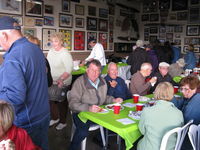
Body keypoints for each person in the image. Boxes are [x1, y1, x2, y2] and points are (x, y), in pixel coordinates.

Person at [0, 16, 50, 150]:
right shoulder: (35, 49)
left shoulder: (13, 58)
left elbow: (15, 97)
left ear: (4, 35)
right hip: (43, 114)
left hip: (27, 122)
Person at [68, 59, 123, 150]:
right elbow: (72, 104)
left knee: (114, 120)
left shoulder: (102, 81)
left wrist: (113, 99)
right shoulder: (80, 82)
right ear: (87, 70)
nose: (95, 73)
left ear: (100, 71)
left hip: (98, 112)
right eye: (92, 70)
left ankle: (99, 139)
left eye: (97, 70)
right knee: (82, 132)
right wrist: (88, 108)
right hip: (80, 113)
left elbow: (104, 98)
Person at [137, 82, 184, 150]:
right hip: (172, 147)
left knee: (139, 142)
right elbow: (179, 133)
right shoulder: (179, 113)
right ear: (172, 94)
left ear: (156, 93)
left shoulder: (147, 111)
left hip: (150, 147)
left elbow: (142, 131)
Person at [47, 32, 73, 130]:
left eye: (56, 41)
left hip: (63, 81)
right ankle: (55, 118)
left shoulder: (65, 53)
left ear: (61, 42)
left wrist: (61, 79)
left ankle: (63, 122)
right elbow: (48, 65)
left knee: (61, 102)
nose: (54, 43)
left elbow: (69, 69)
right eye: (52, 41)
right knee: (50, 100)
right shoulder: (50, 51)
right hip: (52, 80)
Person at [172, 76, 200, 150]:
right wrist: (171, 97)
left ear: (194, 89)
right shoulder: (191, 97)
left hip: (187, 140)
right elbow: (179, 103)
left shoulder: (193, 105)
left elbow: (182, 123)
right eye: (182, 89)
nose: (183, 92)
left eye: (186, 89)